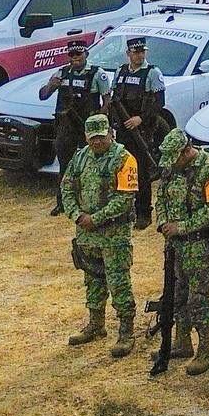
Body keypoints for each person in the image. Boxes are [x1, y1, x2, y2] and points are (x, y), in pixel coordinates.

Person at [61, 113, 138, 357]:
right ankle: (96, 324)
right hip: (86, 234)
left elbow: (125, 198)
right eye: (92, 138)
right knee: (92, 279)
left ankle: (126, 332)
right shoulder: (80, 157)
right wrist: (76, 215)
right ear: (86, 137)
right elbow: (67, 187)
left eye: (101, 137)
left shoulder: (124, 159)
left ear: (110, 134)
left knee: (118, 281)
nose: (96, 142)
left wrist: (96, 218)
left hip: (114, 235)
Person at [154, 128, 209, 376]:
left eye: (175, 158)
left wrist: (181, 227)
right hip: (174, 244)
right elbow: (160, 196)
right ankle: (182, 341)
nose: (171, 164)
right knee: (176, 295)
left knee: (198, 298)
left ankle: (205, 349)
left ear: (187, 151)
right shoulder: (170, 166)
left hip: (198, 245)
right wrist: (164, 222)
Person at [40, 39, 109, 215]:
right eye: (72, 54)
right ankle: (62, 202)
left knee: (91, 165)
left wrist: (99, 122)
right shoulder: (61, 73)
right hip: (66, 127)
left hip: (87, 127)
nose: (75, 58)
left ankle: (91, 202)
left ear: (86, 54)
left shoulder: (96, 74)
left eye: (78, 54)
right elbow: (43, 95)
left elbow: (107, 100)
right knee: (65, 165)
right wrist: (51, 86)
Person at [109, 36, 167, 229]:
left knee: (141, 172)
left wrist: (140, 119)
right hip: (123, 129)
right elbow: (114, 99)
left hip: (141, 130)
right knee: (122, 170)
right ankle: (125, 209)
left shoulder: (152, 73)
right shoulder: (121, 71)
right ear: (128, 54)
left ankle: (144, 212)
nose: (139, 55)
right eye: (136, 52)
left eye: (142, 51)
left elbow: (159, 103)